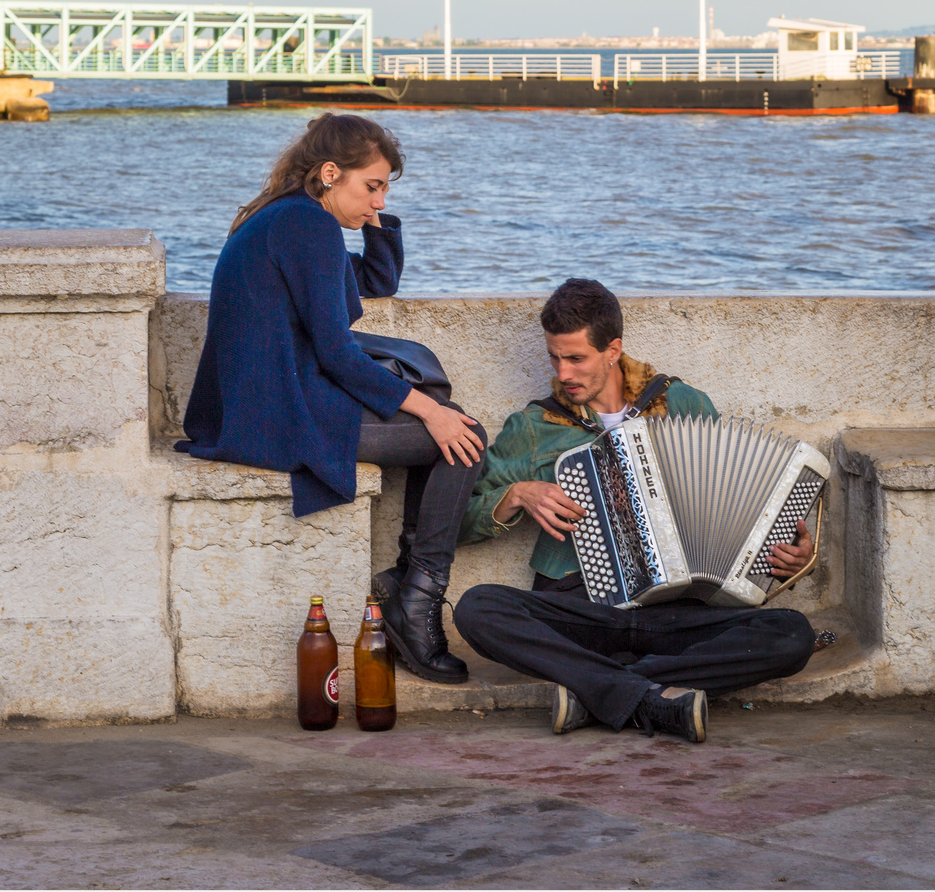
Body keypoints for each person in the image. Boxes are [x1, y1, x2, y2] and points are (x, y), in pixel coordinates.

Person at [176, 112, 487, 685]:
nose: (378, 199)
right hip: (280, 412)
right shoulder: (305, 226)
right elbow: (338, 354)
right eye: (372, 185)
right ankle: (414, 599)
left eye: (387, 187)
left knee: (450, 427)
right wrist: (430, 411)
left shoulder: (287, 217)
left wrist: (374, 214)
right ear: (328, 172)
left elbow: (375, 280)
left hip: (263, 402)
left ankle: (409, 589)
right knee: (464, 438)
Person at [453, 278, 817, 743]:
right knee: (478, 607)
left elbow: (737, 511)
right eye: (554, 357)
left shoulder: (682, 403)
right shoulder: (534, 425)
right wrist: (518, 494)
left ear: (613, 350)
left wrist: (793, 556)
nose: (563, 373)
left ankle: (597, 688)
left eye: (576, 358)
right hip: (582, 609)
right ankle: (654, 695)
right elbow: (461, 521)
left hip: (678, 612)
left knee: (791, 634)